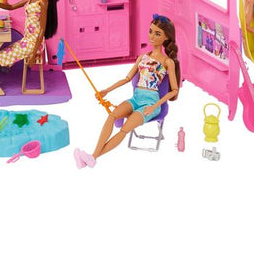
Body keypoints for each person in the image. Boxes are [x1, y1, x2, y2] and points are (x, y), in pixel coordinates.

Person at [74, 15, 181, 168]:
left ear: (166, 37)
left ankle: (92, 157)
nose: (152, 36)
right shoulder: (143, 57)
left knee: (124, 130)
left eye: (157, 34)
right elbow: (127, 78)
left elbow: (174, 90)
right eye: (150, 31)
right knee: (112, 116)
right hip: (136, 99)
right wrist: (107, 90)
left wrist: (154, 106)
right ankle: (91, 158)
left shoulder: (167, 62)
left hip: (151, 103)